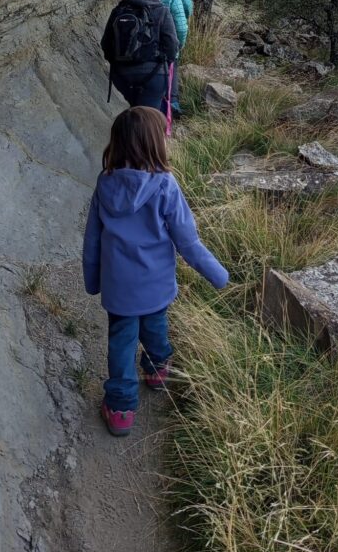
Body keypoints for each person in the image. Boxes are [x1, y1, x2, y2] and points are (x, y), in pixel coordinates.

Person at [82, 106, 229, 436]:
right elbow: (187, 242)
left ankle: (120, 409)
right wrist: (219, 274)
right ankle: (158, 369)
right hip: (156, 285)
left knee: (121, 343)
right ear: (155, 144)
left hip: (119, 290)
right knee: (155, 326)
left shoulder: (105, 185)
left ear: (117, 144)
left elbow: (92, 239)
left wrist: (93, 281)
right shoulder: (166, 186)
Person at [100, 0, 178, 113]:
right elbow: (172, 46)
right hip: (154, 75)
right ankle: (146, 133)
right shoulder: (162, 10)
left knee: (136, 110)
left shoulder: (118, 10)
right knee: (148, 117)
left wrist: (120, 64)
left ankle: (131, 131)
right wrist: (162, 62)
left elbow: (105, 44)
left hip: (122, 75)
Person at [145, 0, 192, 117]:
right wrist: (179, 45)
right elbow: (181, 26)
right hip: (167, 46)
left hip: (146, 47)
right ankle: (172, 106)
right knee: (172, 70)